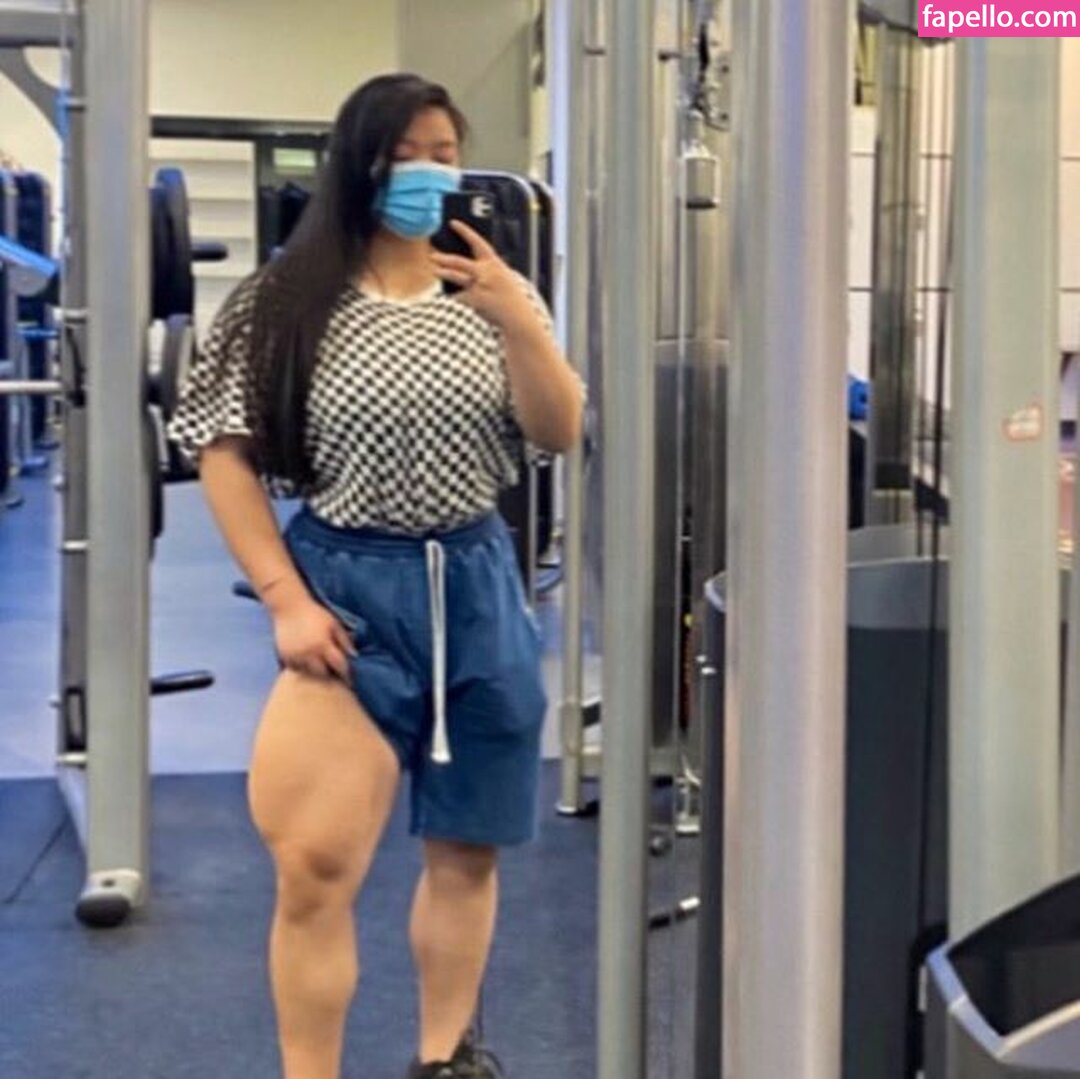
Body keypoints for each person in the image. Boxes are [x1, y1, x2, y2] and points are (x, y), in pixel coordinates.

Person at [168, 73, 583, 1079]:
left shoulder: (493, 296)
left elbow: (559, 430)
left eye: (444, 153)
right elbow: (222, 452)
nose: (428, 172)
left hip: (476, 583)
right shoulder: (284, 301)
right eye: (406, 156)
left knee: (466, 849)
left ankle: (442, 1059)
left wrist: (519, 321)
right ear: (358, 166)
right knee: (314, 864)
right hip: (347, 587)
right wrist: (285, 599)